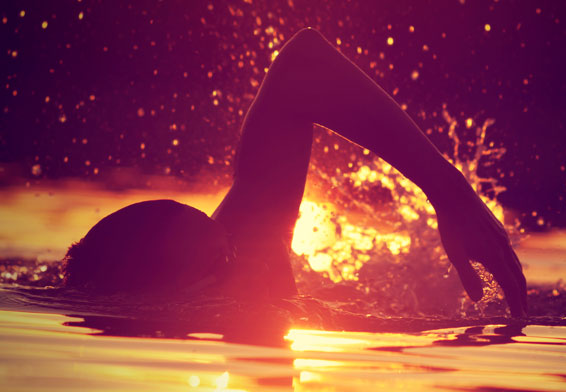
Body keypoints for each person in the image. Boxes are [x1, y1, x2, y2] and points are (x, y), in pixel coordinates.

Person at [62, 28, 527, 317]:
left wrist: (450, 193)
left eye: (222, 233)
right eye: (221, 262)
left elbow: (303, 61)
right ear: (163, 302)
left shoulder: (241, 241)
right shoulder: (223, 328)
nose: (259, 256)